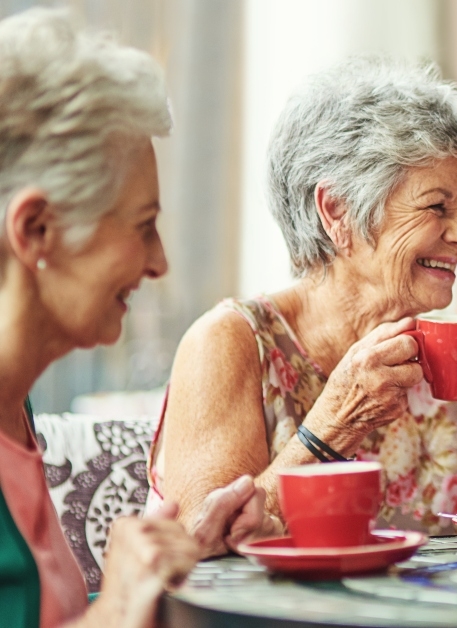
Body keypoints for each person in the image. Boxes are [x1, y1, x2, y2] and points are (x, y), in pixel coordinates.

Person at [150, 57, 457, 539]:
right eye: (437, 207)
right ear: (337, 210)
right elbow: (198, 546)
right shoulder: (230, 343)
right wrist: (335, 425)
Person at [0, 8, 263, 626]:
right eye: (143, 227)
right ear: (35, 229)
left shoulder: (16, 412)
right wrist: (115, 608)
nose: (160, 262)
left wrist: (167, 561)